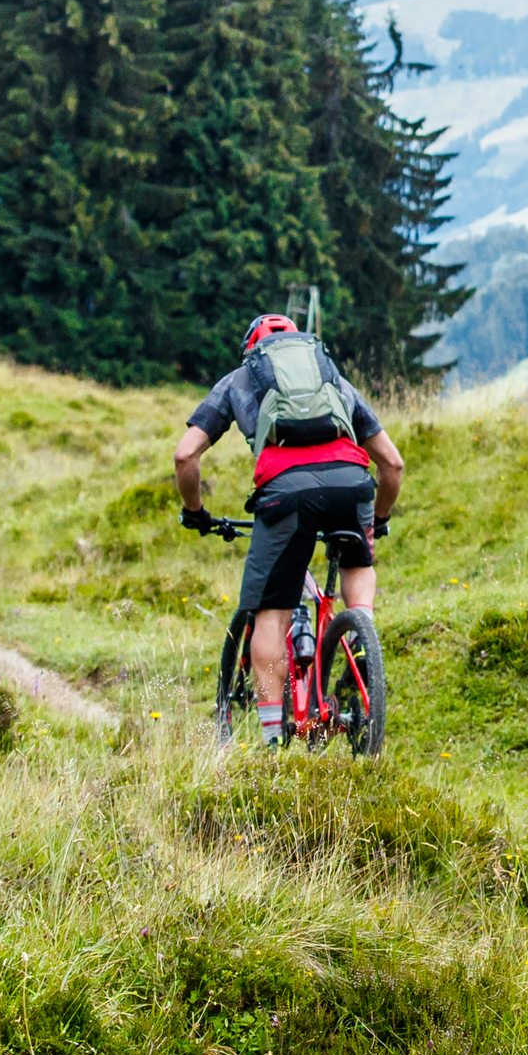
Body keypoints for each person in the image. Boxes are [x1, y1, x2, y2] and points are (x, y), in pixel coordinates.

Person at [174, 314, 404, 744]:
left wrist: (197, 511)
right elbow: (392, 463)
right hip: (352, 485)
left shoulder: (241, 379)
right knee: (357, 562)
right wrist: (379, 519)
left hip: (286, 496)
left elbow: (185, 456)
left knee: (271, 616)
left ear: (252, 350)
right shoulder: (332, 378)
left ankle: (272, 741)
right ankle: (361, 635)